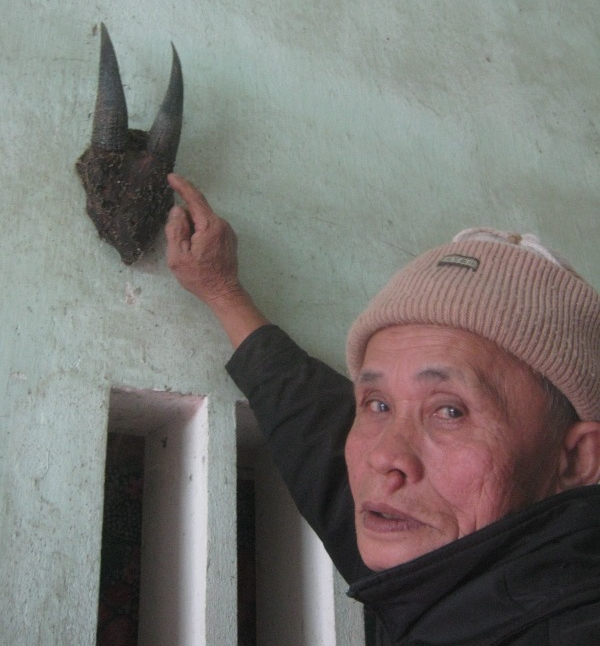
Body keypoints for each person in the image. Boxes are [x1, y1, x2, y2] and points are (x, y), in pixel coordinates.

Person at [165, 173, 600, 645]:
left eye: (449, 412)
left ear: (576, 459)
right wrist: (223, 292)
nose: (383, 456)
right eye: (378, 403)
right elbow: (312, 427)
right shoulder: (434, 569)